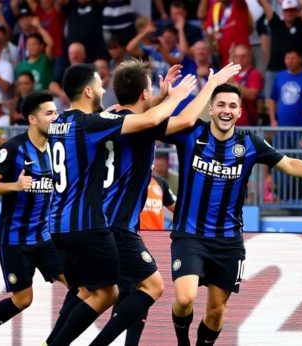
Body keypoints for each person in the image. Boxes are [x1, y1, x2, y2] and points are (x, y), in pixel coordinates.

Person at [164, 83, 302, 346]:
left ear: (240, 112)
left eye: (232, 106)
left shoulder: (249, 142)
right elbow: (152, 124)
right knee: (185, 298)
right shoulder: (190, 133)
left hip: (228, 241)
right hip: (190, 235)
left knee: (216, 311)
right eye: (220, 104)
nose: (226, 111)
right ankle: (182, 342)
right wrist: (160, 97)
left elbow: (288, 163)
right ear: (210, 108)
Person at [89, 61, 241, 345]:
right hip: (119, 227)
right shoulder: (144, 127)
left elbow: (143, 113)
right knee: (151, 288)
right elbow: (183, 122)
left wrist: (160, 97)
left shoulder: (108, 117)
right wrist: (203, 87)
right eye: (149, 91)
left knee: (96, 293)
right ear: (144, 94)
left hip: (93, 223)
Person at [45, 63, 196, 346]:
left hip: (57, 224)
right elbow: (149, 121)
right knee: (137, 288)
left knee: (91, 291)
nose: (105, 90)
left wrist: (158, 98)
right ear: (88, 90)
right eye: (100, 85)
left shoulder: (58, 124)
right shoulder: (91, 124)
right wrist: (177, 97)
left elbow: (135, 115)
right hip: (87, 223)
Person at [0, 91, 67, 346]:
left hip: (45, 237)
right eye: (48, 113)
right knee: (23, 300)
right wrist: (16, 186)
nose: (55, 117)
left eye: (55, 112)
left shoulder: (57, 148)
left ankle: (54, 341)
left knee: (79, 286)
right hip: (15, 238)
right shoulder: (13, 148)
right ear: (32, 119)